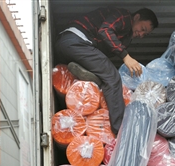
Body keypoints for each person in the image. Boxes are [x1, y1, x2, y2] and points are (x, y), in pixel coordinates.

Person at [55, 7, 159, 135]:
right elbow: (104, 30)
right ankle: (120, 129)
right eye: (143, 29)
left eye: (146, 34)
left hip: (69, 45)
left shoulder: (126, 38)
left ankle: (88, 73)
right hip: (77, 41)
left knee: (104, 75)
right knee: (113, 78)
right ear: (137, 17)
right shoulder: (124, 17)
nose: (142, 34)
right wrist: (125, 56)